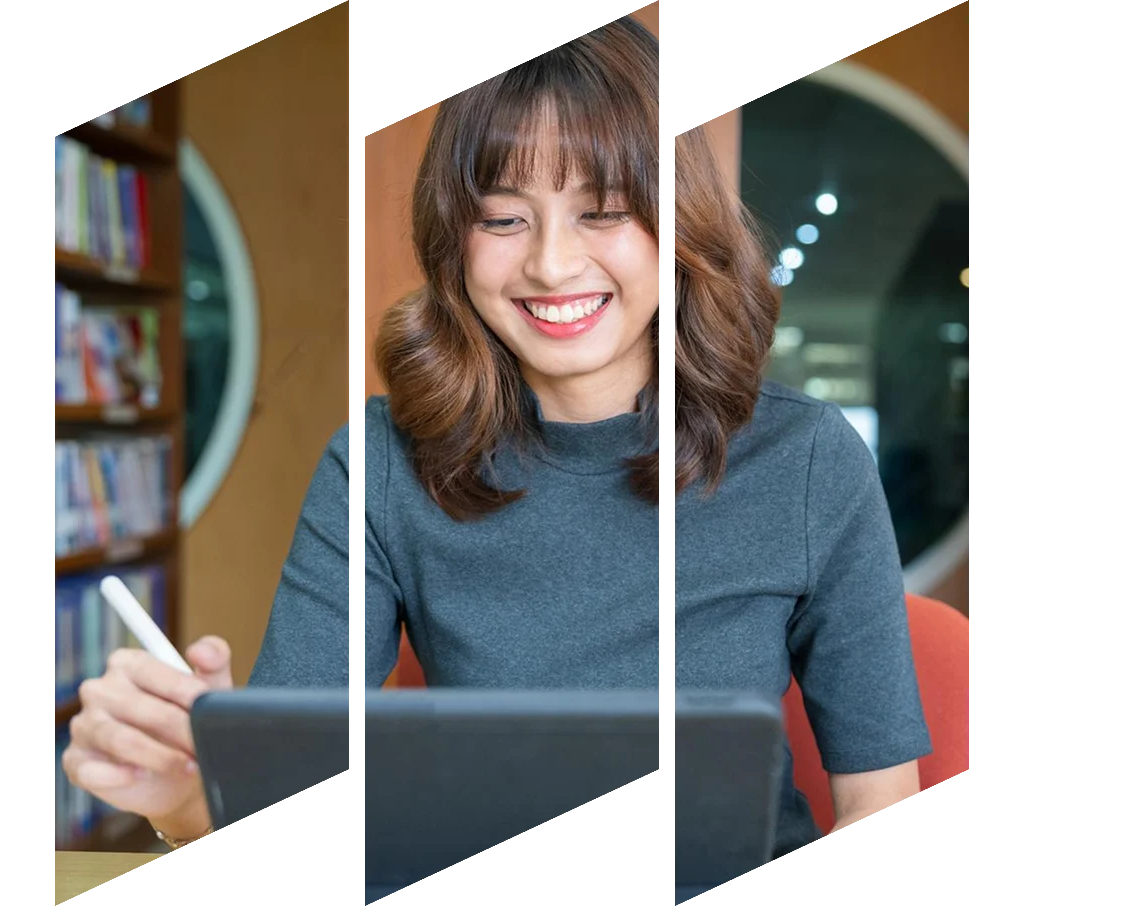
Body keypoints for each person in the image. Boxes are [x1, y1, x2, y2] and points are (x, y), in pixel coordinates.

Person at [61, 15, 930, 866]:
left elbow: (875, 800)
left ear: (679, 226)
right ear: (453, 240)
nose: (551, 265)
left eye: (605, 211)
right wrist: (183, 796)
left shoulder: (809, 460)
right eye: (504, 218)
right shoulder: (381, 461)